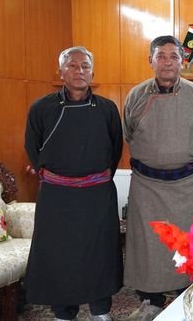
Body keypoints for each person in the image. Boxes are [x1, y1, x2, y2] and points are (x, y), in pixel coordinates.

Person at [24, 46, 123, 321]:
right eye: (72, 66)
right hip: (57, 197)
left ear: (92, 72)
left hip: (97, 194)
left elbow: (114, 150)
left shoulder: (106, 109)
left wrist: (92, 179)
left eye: (85, 66)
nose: (79, 71)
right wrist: (62, 178)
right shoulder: (41, 108)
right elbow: (33, 148)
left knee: (100, 253)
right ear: (61, 71)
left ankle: (101, 311)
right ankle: (63, 312)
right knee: (59, 255)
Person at [123, 35, 193, 320]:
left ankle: (186, 296)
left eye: (174, 56)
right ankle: (151, 300)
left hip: (188, 185)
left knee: (186, 244)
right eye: (161, 56)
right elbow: (128, 133)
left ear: (182, 61)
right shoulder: (136, 95)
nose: (168, 62)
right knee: (150, 245)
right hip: (147, 186)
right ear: (150, 61)